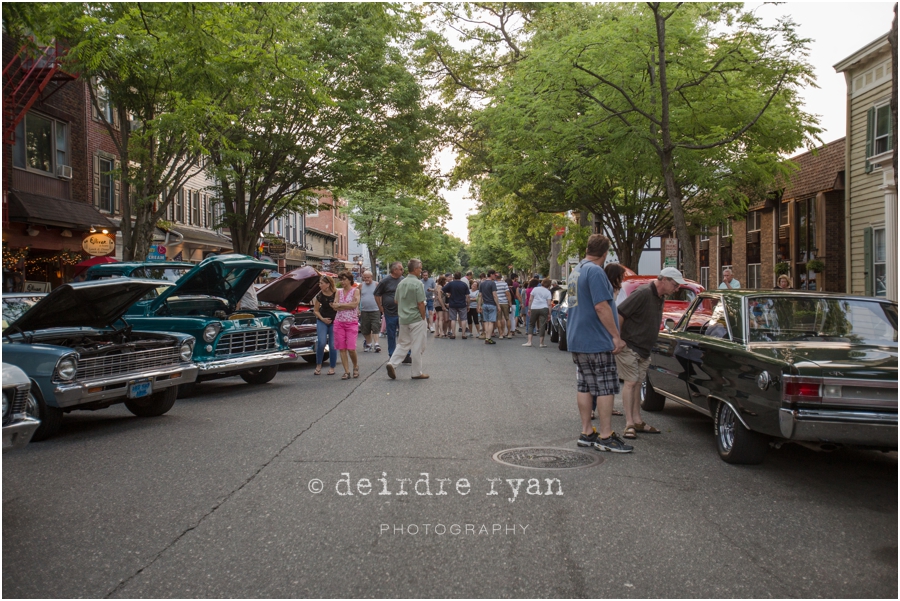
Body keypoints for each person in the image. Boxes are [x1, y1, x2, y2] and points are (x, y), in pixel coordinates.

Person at [567, 234, 631, 453]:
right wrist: (616, 336)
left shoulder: (576, 271)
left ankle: (587, 432)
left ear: (587, 249)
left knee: (584, 385)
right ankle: (605, 435)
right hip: (596, 338)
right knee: (604, 387)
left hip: (577, 337)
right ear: (606, 252)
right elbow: (601, 306)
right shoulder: (595, 271)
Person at [615, 267, 684, 439]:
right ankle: (629, 424)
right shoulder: (643, 293)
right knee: (630, 383)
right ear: (664, 280)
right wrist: (617, 339)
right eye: (675, 285)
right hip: (630, 345)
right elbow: (620, 313)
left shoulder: (660, 296)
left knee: (637, 383)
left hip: (644, 348)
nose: (676, 289)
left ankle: (637, 420)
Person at [385, 259, 429, 380]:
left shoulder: (401, 283)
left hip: (403, 318)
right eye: (420, 268)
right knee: (417, 345)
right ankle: (416, 372)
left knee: (403, 343)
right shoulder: (418, 283)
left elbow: (396, 300)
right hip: (416, 318)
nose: (421, 270)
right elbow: (421, 303)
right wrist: (423, 317)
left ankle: (392, 363)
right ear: (415, 269)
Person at [333, 271, 361, 379]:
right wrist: (343, 306)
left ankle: (355, 366)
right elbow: (334, 306)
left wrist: (340, 305)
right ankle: (346, 371)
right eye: (341, 279)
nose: (342, 282)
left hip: (351, 322)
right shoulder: (338, 292)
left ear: (349, 280)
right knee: (342, 348)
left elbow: (354, 305)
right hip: (339, 322)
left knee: (351, 348)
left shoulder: (356, 291)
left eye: (344, 279)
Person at [375, 262, 403, 357]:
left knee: (405, 334)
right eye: (401, 269)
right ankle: (392, 354)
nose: (402, 271)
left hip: (402, 312)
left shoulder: (403, 280)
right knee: (391, 334)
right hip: (390, 312)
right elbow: (376, 294)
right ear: (395, 270)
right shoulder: (385, 281)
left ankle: (406, 354)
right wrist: (380, 307)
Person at [313, 275, 338, 376]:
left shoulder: (336, 293)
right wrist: (322, 319)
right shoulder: (320, 295)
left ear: (327, 284)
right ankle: (318, 365)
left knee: (332, 345)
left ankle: (332, 367)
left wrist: (335, 306)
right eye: (319, 283)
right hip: (322, 320)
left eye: (321, 283)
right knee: (321, 342)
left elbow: (339, 307)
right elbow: (315, 310)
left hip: (334, 321)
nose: (319, 285)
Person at [523, 278, 552, 348]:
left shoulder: (535, 289)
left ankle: (529, 341)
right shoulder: (548, 292)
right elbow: (549, 304)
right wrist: (549, 314)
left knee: (531, 324)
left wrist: (529, 309)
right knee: (542, 325)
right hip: (544, 308)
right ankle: (541, 343)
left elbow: (530, 299)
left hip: (534, 307)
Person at [443, 272, 470, 340]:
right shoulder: (464, 284)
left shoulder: (451, 284)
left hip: (452, 304)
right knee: (463, 319)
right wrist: (468, 305)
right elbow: (467, 296)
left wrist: (448, 294)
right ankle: (463, 334)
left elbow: (442, 290)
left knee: (453, 319)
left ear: (454, 277)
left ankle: (453, 334)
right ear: (460, 277)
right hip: (462, 304)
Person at [359, 271, 381, 353]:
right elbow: (358, 297)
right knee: (365, 328)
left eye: (368, 277)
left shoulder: (376, 285)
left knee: (375, 326)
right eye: (364, 277)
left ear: (371, 277)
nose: (366, 279)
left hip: (375, 309)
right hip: (364, 310)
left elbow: (380, 296)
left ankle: (376, 344)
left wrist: (381, 306)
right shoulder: (361, 286)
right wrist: (358, 308)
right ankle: (368, 344)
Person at [479, 270, 500, 344]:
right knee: (491, 322)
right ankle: (488, 338)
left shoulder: (482, 284)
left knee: (486, 322)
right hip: (492, 304)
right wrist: (498, 305)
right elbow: (494, 295)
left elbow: (480, 296)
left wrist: (479, 305)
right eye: (494, 275)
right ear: (491, 275)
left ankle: (487, 337)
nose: (495, 276)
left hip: (484, 304)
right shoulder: (492, 283)